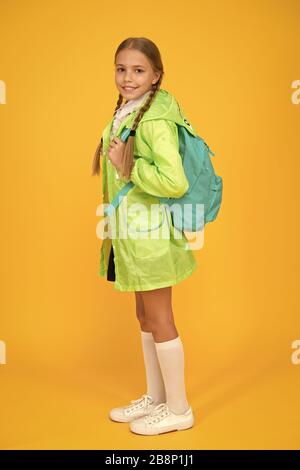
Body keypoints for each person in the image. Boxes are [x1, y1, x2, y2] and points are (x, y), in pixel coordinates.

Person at [92, 37, 197, 435]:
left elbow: (174, 181)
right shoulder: (129, 110)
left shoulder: (153, 119)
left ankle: (179, 408)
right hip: (131, 235)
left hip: (150, 236)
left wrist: (128, 169)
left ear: (156, 75)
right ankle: (156, 398)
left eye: (138, 70)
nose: (127, 77)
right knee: (144, 316)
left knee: (160, 317)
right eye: (121, 69)